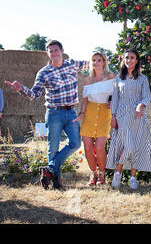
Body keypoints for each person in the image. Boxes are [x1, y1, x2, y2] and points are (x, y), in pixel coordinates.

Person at [5, 40, 89, 190]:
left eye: (56, 50)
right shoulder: (43, 73)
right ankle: (56, 181)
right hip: (54, 113)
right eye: (51, 51)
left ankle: (49, 169)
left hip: (71, 112)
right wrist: (20, 88)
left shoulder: (72, 64)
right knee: (53, 148)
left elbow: (95, 65)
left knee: (76, 143)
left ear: (62, 51)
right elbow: (33, 95)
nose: (54, 53)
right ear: (47, 54)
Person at [106, 49, 151, 190]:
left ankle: (133, 177)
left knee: (137, 145)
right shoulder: (118, 78)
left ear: (137, 60)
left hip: (138, 116)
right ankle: (118, 171)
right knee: (128, 145)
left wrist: (140, 105)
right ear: (123, 60)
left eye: (132, 58)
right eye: (127, 58)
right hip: (122, 115)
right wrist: (113, 116)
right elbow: (115, 99)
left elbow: (147, 96)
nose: (129, 60)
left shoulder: (143, 78)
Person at [74, 52, 115, 186]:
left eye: (99, 60)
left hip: (105, 113)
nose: (96, 63)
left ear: (104, 62)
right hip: (90, 113)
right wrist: (82, 113)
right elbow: (85, 99)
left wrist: (112, 101)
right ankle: (93, 173)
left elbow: (117, 94)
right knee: (87, 146)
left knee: (99, 147)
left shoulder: (111, 77)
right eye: (93, 60)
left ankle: (102, 174)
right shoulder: (88, 80)